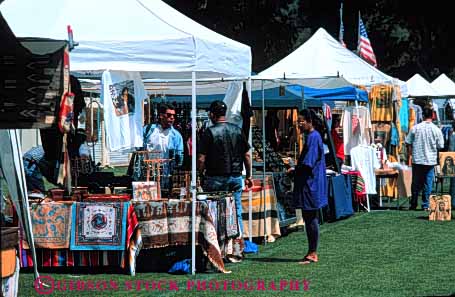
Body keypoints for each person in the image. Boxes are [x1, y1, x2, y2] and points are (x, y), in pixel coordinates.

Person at [198, 100, 253, 234]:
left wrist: (199, 175)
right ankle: (238, 244)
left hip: (214, 177)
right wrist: (249, 175)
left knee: (214, 212)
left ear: (211, 114)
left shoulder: (209, 132)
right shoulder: (237, 131)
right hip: (235, 176)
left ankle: (217, 244)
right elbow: (247, 155)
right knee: (236, 211)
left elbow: (201, 159)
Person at [290, 109, 327, 265]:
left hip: (310, 184)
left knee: (310, 218)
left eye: (302, 121)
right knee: (309, 218)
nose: (299, 124)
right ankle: (311, 251)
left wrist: (294, 170)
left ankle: (312, 252)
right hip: (311, 183)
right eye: (298, 121)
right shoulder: (313, 136)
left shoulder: (313, 137)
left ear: (310, 121)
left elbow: (308, 164)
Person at [405, 107, 444, 211]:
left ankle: (413, 204)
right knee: (428, 183)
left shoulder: (415, 128)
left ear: (422, 116)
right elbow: (441, 145)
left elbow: (408, 142)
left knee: (416, 183)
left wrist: (410, 155)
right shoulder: (436, 129)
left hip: (417, 159)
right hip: (430, 160)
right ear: (432, 116)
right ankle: (425, 205)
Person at [143, 103, 184, 194]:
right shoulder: (148, 130)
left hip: (167, 175)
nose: (172, 118)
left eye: (173, 115)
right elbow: (139, 149)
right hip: (148, 173)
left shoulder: (176, 135)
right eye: (169, 115)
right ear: (161, 116)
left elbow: (180, 158)